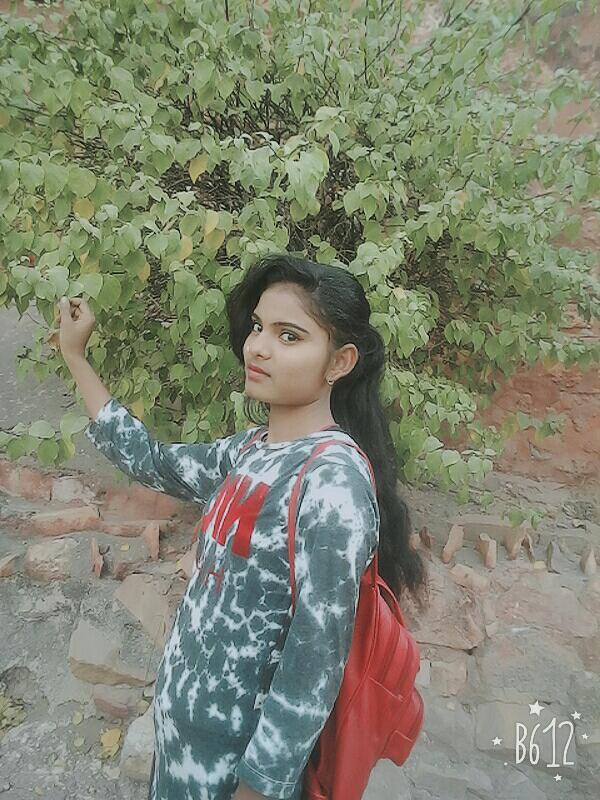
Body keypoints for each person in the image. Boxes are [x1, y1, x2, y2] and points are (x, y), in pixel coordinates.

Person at [58, 253, 427, 800]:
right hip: (183, 745)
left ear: (340, 362)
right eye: (258, 327)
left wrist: (259, 788)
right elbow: (153, 460)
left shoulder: (331, 481)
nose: (258, 347)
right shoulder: (251, 450)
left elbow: (313, 662)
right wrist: (75, 356)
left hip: (234, 772)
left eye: (289, 335)